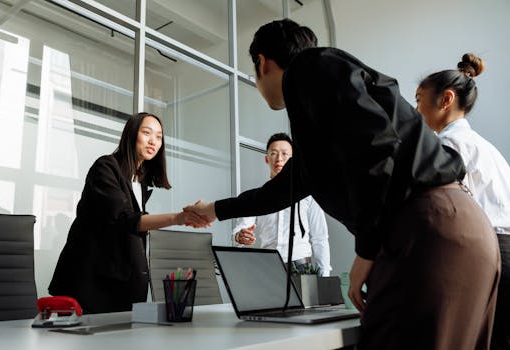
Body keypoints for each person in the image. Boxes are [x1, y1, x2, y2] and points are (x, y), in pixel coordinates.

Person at [184, 19, 500, 349]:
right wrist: (214, 210)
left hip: (430, 230)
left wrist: (366, 248)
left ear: (261, 62)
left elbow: (373, 144)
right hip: (461, 229)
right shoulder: (320, 101)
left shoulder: (309, 68)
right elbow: (281, 189)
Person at [49, 112, 209, 314]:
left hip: (120, 287)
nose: (154, 141)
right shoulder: (105, 167)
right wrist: (179, 218)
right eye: (147, 133)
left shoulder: (139, 181)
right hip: (91, 287)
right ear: (131, 135)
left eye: (159, 137)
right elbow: (125, 220)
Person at [416, 54, 510, 350]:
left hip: (489, 251)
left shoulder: (449, 145)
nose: (416, 109)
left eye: (419, 99)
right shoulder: (487, 147)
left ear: (446, 99)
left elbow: (449, 211)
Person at [233, 132, 331, 276]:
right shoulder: (258, 197)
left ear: (293, 159)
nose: (279, 158)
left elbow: (319, 237)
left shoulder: (308, 195)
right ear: (267, 159)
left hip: (301, 268)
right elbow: (241, 227)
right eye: (274, 153)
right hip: (267, 267)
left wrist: (324, 274)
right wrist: (238, 236)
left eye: (285, 154)